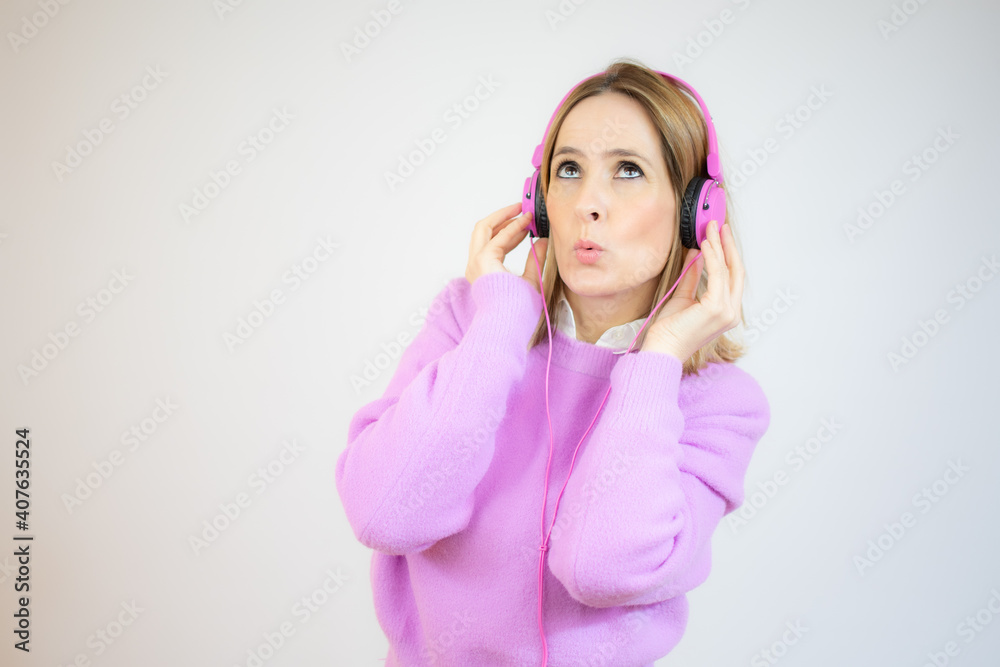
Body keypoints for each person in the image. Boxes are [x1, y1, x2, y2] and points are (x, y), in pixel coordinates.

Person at [336, 57, 770, 666]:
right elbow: (384, 514)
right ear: (538, 200)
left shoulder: (720, 404)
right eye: (568, 169)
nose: (588, 202)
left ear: (696, 213)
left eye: (628, 170)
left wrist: (657, 362)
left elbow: (600, 568)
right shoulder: (467, 325)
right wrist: (501, 326)